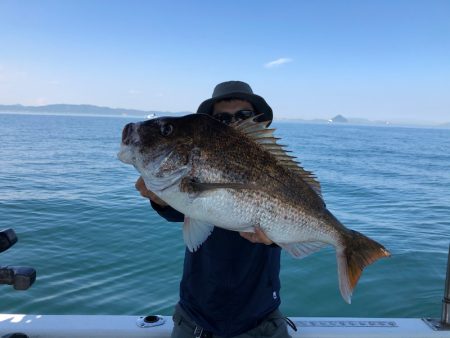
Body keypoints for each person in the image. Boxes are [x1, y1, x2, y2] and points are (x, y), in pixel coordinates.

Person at [135, 81, 294, 338]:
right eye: (222, 118)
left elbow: (296, 218)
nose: (234, 122)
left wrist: (274, 240)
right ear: (210, 126)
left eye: (243, 115)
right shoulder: (198, 163)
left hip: (262, 322)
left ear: (260, 122)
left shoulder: (278, 170)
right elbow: (180, 209)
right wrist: (160, 198)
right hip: (195, 320)